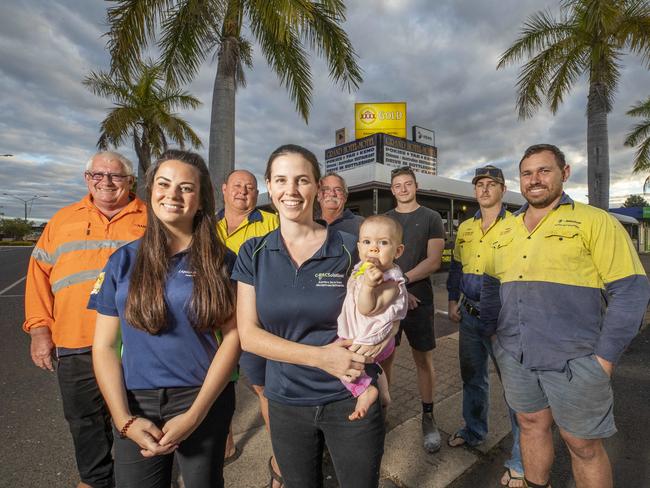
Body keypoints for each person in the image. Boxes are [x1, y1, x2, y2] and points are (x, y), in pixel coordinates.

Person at [481, 144, 650, 488]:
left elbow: (630, 291)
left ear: (565, 173)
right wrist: (495, 337)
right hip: (516, 355)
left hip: (578, 360)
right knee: (530, 424)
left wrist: (604, 359)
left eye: (544, 170)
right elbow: (489, 286)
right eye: (527, 173)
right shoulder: (505, 230)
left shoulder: (595, 221)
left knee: (583, 445)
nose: (535, 179)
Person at [234, 144, 387, 488]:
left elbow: (380, 314)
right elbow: (249, 335)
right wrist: (321, 358)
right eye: (281, 180)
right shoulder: (253, 252)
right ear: (269, 187)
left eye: (302, 180)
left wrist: (378, 371)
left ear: (317, 188)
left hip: (350, 396)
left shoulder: (350, 247)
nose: (291, 191)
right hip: (286, 402)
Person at [89, 150, 240, 488]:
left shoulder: (223, 262)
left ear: (201, 201)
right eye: (164, 184)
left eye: (185, 188)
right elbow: (103, 347)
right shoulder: (122, 261)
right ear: (150, 191)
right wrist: (123, 419)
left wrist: (195, 415)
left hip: (203, 398)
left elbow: (234, 338)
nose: (172, 195)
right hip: (135, 401)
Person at [24, 151, 146, 488]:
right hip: (75, 342)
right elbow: (37, 278)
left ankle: (136, 478)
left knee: (136, 415)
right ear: (86, 178)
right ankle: (95, 480)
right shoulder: (62, 221)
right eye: (98, 174)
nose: (106, 181)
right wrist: (39, 330)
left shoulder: (150, 219)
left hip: (134, 344)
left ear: (130, 181)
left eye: (116, 176)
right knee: (84, 420)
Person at [446, 165, 524, 487]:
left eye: (492, 184)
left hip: (504, 321)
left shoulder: (518, 225)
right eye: (480, 184)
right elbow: (456, 265)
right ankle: (474, 430)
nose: (485, 189)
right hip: (469, 317)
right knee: (472, 378)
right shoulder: (465, 227)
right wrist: (452, 299)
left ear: (503, 190)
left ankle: (521, 460)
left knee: (517, 391)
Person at [216, 169, 279, 481]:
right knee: (217, 388)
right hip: (213, 323)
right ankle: (225, 446)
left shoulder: (272, 223)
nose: (243, 192)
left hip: (255, 322)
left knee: (264, 390)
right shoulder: (207, 226)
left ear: (258, 194)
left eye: (250, 188)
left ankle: (283, 457)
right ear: (225, 189)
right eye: (237, 186)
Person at [383, 166, 445, 454]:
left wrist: (404, 283)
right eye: (398, 185)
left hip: (420, 300)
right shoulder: (385, 221)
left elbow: (433, 261)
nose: (403, 189)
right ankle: (382, 413)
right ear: (392, 189)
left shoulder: (431, 218)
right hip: (387, 301)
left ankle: (428, 416)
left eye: (408, 184)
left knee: (423, 360)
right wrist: (397, 290)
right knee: (384, 360)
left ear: (416, 186)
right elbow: (377, 260)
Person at [337, 215, 408, 421]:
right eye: (367, 242)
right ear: (359, 247)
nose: (374, 248)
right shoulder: (363, 268)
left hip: (372, 338)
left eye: (383, 242)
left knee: (341, 362)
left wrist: (368, 286)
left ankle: (365, 391)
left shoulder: (392, 282)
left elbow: (368, 308)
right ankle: (384, 392)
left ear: (398, 251)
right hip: (363, 334)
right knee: (372, 366)